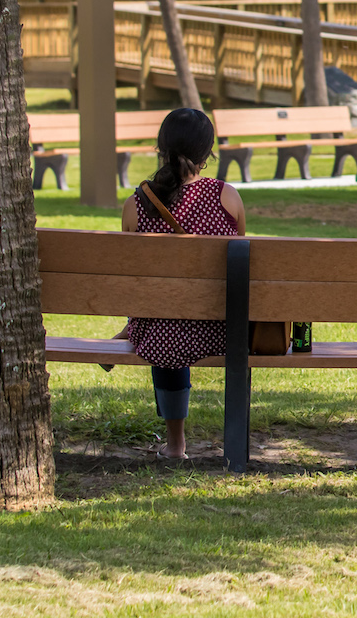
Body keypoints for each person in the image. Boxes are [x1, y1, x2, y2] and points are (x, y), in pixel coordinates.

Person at [119, 108, 246, 460]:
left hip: (159, 332)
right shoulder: (227, 197)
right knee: (171, 313)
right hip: (221, 328)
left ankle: (175, 445)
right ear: (207, 153)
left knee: (164, 317)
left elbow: (133, 279)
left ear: (161, 147)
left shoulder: (136, 205)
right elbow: (238, 268)